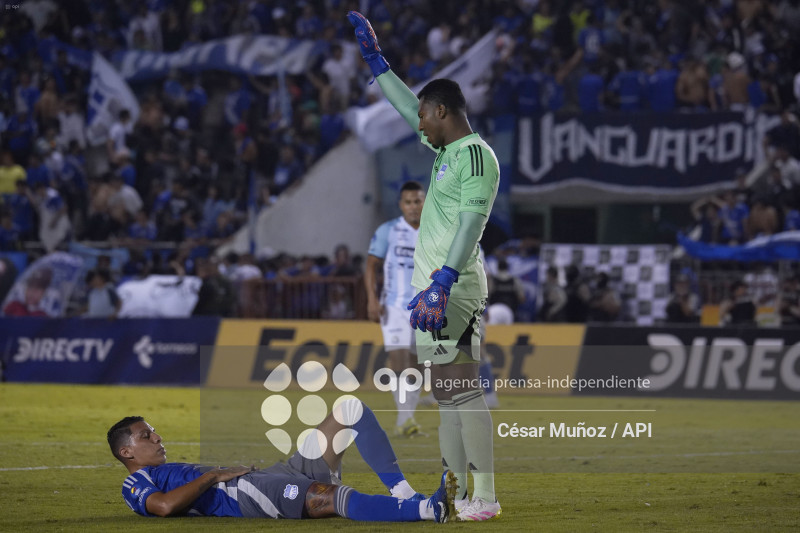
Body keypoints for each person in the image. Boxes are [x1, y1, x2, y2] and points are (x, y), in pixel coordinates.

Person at [348, 11, 501, 521]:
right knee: (446, 396)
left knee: (463, 390)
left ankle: (485, 494)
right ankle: (457, 492)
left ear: (441, 112)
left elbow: (471, 226)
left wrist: (443, 280)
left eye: (423, 116)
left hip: (451, 289)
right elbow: (401, 104)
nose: (416, 122)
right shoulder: (444, 152)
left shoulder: (475, 156)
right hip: (430, 294)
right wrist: (376, 62)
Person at [108, 399, 456, 522]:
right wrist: (215, 475)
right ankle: (426, 511)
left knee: (350, 409)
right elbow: (164, 507)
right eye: (146, 436)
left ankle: (406, 494)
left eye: (153, 431)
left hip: (272, 473)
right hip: (247, 496)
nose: (157, 437)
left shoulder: (163, 468)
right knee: (327, 497)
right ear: (127, 453)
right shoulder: (135, 483)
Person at [365, 180, 426, 437]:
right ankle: (405, 420)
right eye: (408, 202)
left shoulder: (436, 232)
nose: (413, 207)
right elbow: (370, 265)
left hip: (425, 310)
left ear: (425, 203)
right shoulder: (388, 230)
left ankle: (406, 418)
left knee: (418, 367)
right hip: (394, 307)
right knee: (399, 361)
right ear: (401, 205)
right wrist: (372, 299)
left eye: (417, 202)